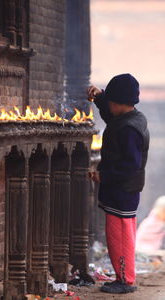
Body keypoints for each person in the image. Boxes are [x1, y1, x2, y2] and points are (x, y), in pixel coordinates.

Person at [87, 73, 150, 294]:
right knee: (120, 234)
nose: (109, 107)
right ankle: (124, 276)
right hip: (123, 190)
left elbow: (130, 165)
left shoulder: (129, 129)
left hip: (122, 190)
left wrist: (104, 176)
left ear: (120, 103)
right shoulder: (128, 118)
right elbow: (111, 116)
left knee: (120, 237)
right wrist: (100, 98)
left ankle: (125, 280)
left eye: (111, 102)